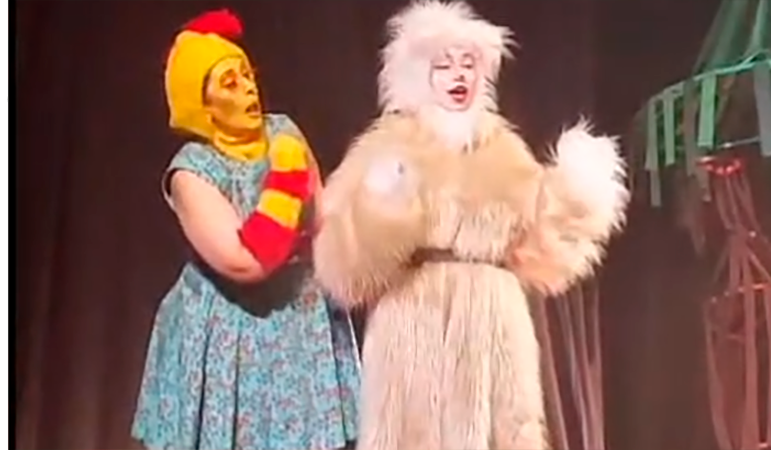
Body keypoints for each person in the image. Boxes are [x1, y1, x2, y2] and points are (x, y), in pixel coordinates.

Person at [312, 1, 630, 449]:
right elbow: (341, 268)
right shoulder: (387, 146)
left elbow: (541, 250)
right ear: (416, 74)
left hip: (492, 326)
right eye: (444, 65)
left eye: (468, 64)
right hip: (413, 324)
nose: (458, 75)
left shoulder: (503, 149)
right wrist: (381, 208)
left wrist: (577, 193)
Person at [131, 9, 360, 450]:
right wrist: (285, 179)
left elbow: (320, 217)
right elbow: (245, 262)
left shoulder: (283, 131)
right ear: (203, 104)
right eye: (229, 82)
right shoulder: (191, 172)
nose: (248, 87)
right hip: (230, 333)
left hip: (299, 323)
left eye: (247, 74)